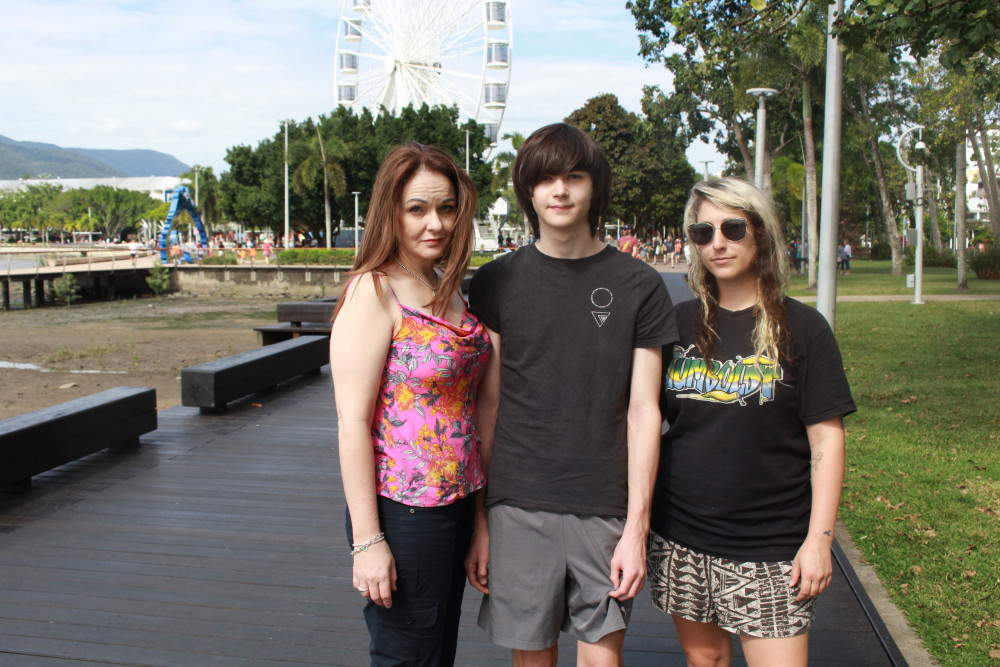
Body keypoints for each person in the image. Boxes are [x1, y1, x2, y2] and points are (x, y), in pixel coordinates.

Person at [466, 123, 678, 666]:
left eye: (574, 177)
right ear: (528, 191)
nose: (559, 190)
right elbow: (487, 405)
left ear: (594, 188)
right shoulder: (495, 282)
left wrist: (637, 529)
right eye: (545, 179)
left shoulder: (639, 284)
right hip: (518, 500)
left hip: (604, 505)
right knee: (531, 657)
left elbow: (643, 411)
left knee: (602, 659)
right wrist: (481, 520)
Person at [647, 177, 856, 666]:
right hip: (681, 535)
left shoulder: (803, 328)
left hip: (771, 543)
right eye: (703, 232)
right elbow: (641, 420)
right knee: (706, 662)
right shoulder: (674, 325)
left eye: (732, 227)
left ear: (759, 232)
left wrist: (819, 541)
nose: (717, 243)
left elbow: (827, 438)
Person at [329, 143, 492, 666]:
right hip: (405, 513)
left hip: (458, 502)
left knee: (437, 650)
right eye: (417, 209)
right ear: (391, 212)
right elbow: (352, 423)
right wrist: (367, 541)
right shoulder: (374, 292)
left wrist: (481, 521)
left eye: (446, 208)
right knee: (407, 655)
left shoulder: (446, 287)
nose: (435, 223)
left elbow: (474, 413)